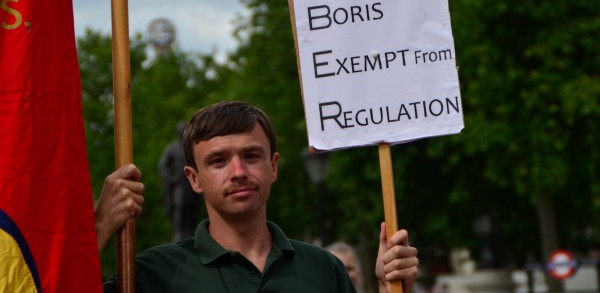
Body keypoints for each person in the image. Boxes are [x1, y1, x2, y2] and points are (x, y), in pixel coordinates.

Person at [96, 101, 419, 292]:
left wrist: (388, 287)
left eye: (251, 156)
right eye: (218, 161)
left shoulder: (323, 269)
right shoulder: (153, 275)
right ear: (194, 179)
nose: (238, 171)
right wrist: (98, 228)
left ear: (273, 167)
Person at [158, 121, 202, 241]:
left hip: (192, 184)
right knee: (179, 206)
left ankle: (191, 232)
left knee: (192, 208)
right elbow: (162, 166)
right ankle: (178, 232)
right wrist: (171, 179)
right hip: (178, 185)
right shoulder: (171, 149)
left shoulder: (192, 149)